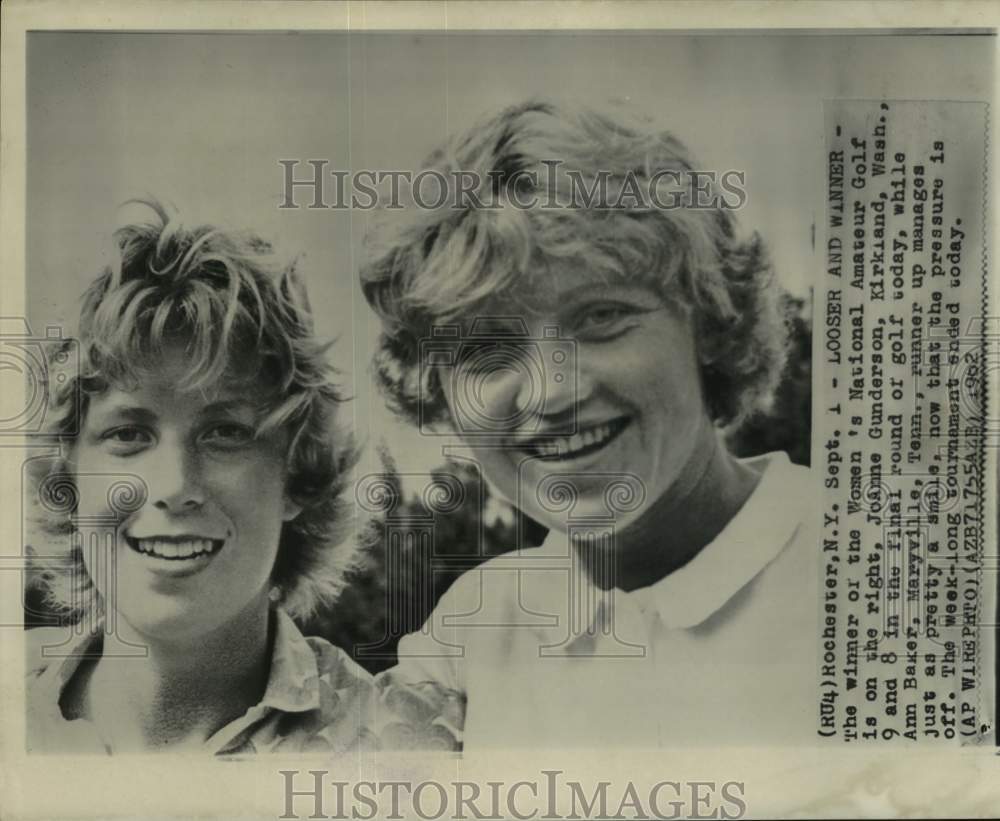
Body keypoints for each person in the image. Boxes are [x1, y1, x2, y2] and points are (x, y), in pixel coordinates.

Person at [363, 99, 819, 748]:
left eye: (601, 318)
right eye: (489, 346)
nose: (550, 391)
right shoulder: (474, 629)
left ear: (711, 320)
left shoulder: (877, 571)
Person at [25, 200, 375, 754]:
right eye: (128, 434)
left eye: (225, 433)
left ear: (299, 473)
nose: (173, 485)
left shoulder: (393, 745)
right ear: (66, 478)